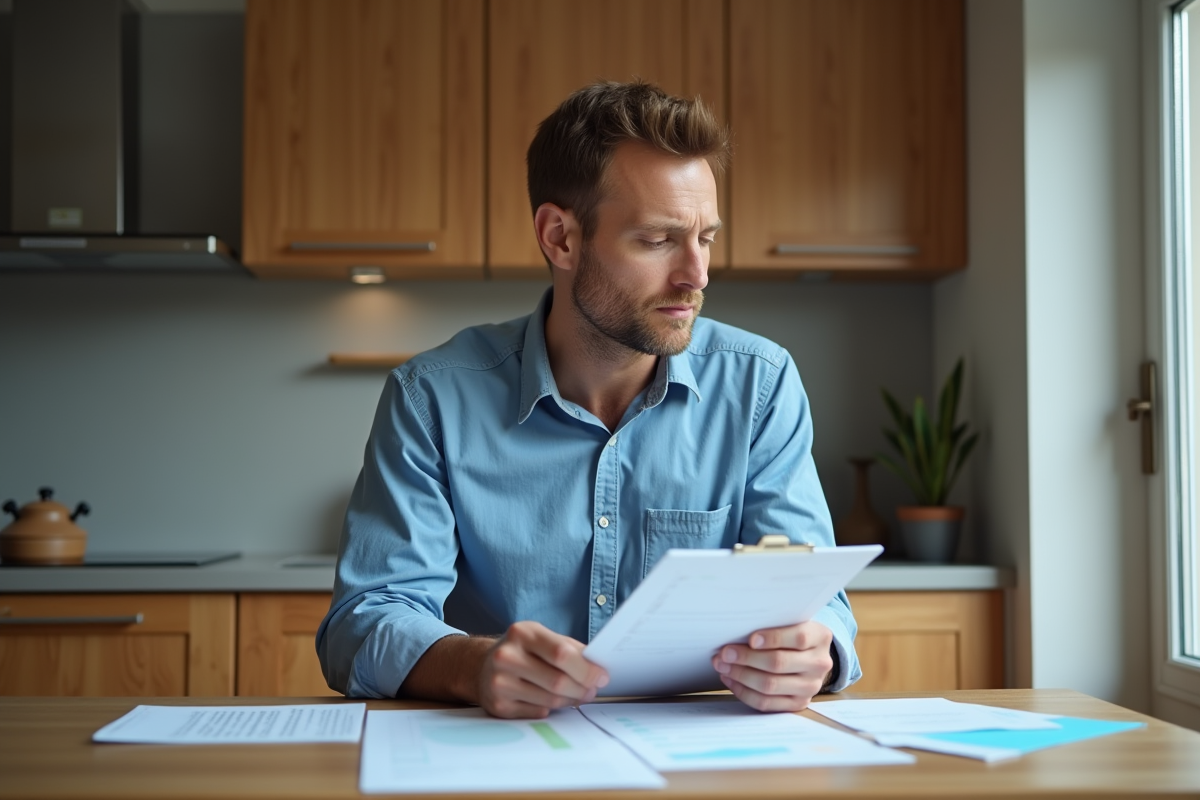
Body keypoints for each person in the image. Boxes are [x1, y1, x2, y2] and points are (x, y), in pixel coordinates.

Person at [317, 81, 861, 719]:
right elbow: (364, 621)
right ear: (560, 238)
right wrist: (475, 665)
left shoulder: (760, 386)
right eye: (658, 240)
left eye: (705, 238)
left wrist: (813, 652)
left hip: (696, 762)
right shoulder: (432, 397)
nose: (697, 275)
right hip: (502, 755)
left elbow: (814, 599)